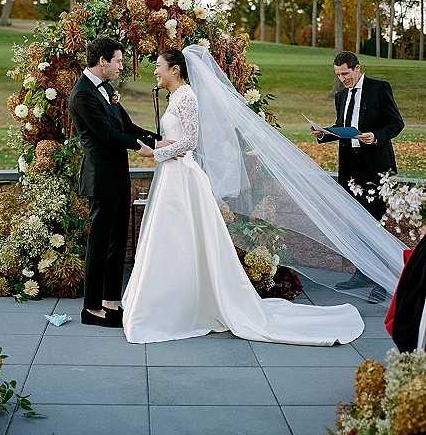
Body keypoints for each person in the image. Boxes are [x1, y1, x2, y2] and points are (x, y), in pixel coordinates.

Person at [122, 48, 366, 345]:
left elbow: (190, 141)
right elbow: (176, 139)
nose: (155, 72)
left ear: (175, 70)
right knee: (172, 239)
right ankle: (165, 303)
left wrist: (155, 152)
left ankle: (179, 307)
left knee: (181, 237)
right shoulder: (175, 97)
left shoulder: (186, 96)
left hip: (183, 177)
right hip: (171, 175)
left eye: (158, 66)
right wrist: (159, 144)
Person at [68, 37, 165, 328]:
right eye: (119, 61)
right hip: (101, 179)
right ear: (103, 61)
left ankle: (110, 301)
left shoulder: (106, 89)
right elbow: (109, 136)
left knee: (116, 240)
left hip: (118, 176)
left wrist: (159, 140)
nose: (122, 66)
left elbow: (126, 126)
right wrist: (143, 148)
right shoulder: (83, 95)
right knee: (99, 243)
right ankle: (91, 309)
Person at [311, 51, 404, 302]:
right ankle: (362, 272)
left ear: (357, 68)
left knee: (376, 224)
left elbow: (396, 124)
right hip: (350, 167)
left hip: (376, 167)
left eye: (345, 73)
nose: (342, 79)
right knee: (354, 224)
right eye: (338, 75)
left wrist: (375, 136)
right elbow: (343, 126)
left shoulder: (379, 88)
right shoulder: (341, 96)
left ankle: (382, 279)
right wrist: (324, 134)